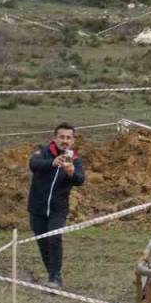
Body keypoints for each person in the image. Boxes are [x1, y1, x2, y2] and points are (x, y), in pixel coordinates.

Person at [27, 123, 85, 288]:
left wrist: (71, 172)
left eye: (68, 138)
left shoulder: (74, 159)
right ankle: (51, 273)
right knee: (42, 242)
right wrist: (52, 163)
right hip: (37, 207)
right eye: (62, 137)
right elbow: (33, 164)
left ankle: (55, 277)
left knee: (54, 237)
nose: (65, 141)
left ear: (73, 141)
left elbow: (81, 180)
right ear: (55, 138)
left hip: (58, 209)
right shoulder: (43, 152)